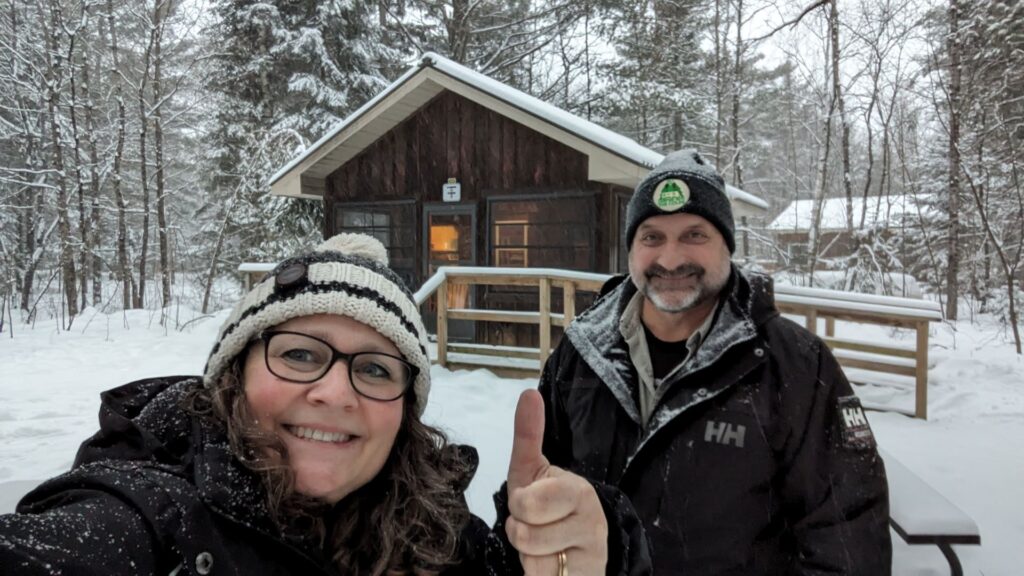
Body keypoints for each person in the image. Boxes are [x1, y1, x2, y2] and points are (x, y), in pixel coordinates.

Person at [0, 233, 651, 576]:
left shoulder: (442, 541)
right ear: (233, 375)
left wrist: (597, 554)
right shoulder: (150, 515)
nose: (335, 392)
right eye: (301, 355)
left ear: (403, 414)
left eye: (373, 368)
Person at [525, 150, 892, 575]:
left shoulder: (795, 366)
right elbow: (536, 499)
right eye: (652, 237)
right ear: (631, 248)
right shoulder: (581, 353)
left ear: (727, 246)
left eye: (694, 235)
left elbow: (846, 538)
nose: (670, 258)